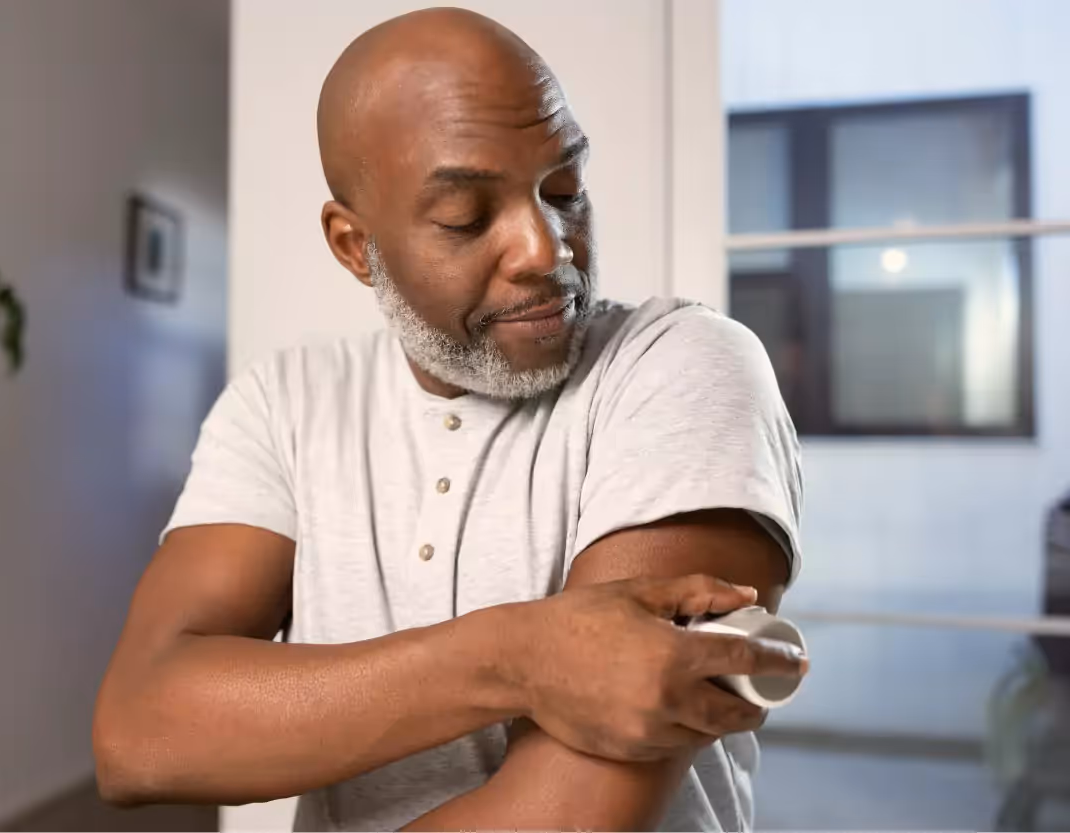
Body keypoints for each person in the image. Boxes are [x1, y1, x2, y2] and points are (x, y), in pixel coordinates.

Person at [93, 8, 806, 831]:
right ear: (355, 246)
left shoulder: (682, 365)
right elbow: (140, 732)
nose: (546, 249)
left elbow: (576, 814)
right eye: (467, 217)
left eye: (565, 191)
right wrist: (521, 655)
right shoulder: (285, 402)